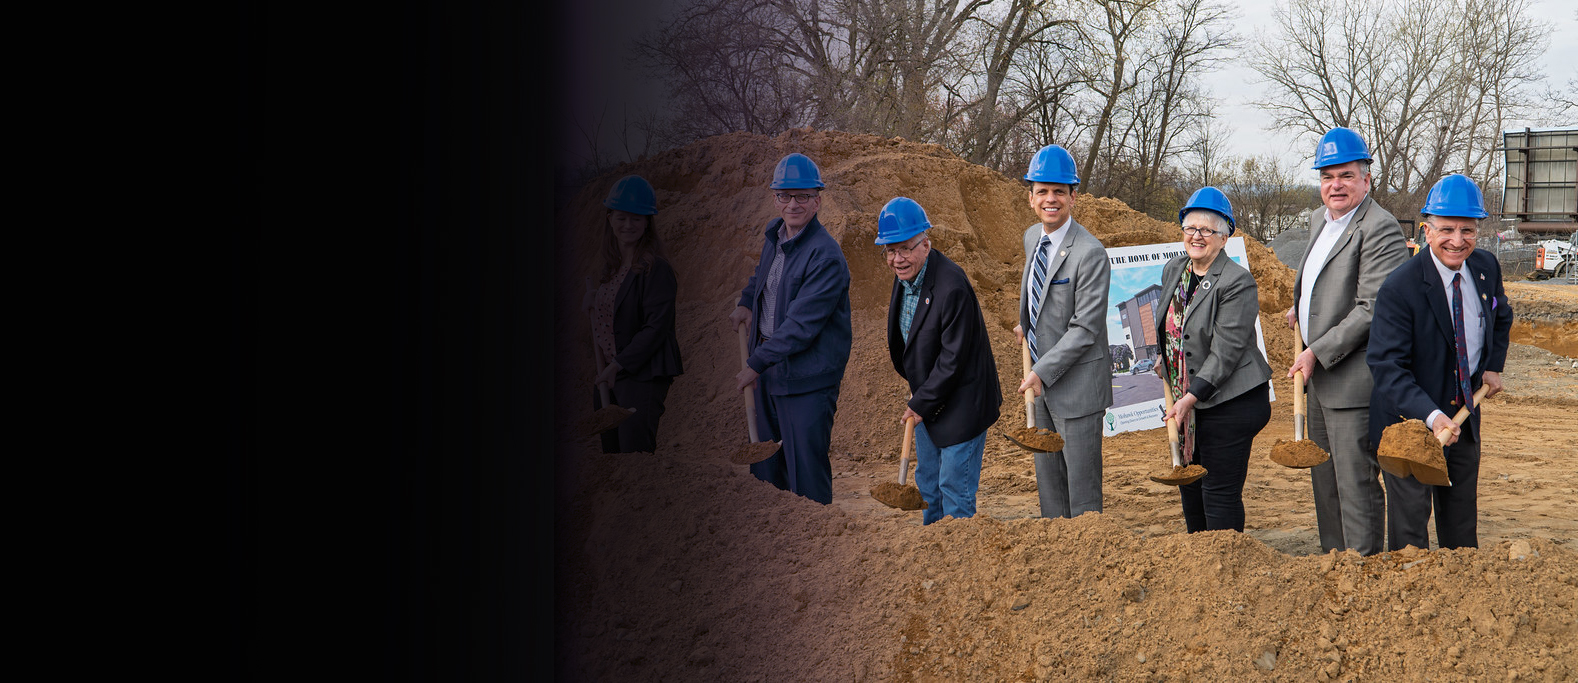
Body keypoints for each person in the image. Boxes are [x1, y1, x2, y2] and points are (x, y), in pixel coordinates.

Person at [1367, 174, 1513, 550]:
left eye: (1467, 229)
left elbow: (1501, 316)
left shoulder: (1485, 269)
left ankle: (1460, 595)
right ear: (1427, 231)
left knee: (1461, 520)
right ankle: (1409, 599)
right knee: (1412, 529)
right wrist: (1431, 418)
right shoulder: (1400, 287)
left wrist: (1493, 365)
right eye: (1447, 229)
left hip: (1464, 415)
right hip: (1410, 424)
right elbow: (1387, 367)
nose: (1457, 240)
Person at [1284, 127, 1409, 556]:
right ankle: (1334, 562)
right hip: (1318, 376)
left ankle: (1364, 568)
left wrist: (1316, 351)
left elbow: (1372, 309)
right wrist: (1299, 310)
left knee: (1354, 481)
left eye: (1345, 176)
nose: (1335, 185)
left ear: (1366, 179)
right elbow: (1322, 286)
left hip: (1350, 378)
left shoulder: (1381, 228)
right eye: (1326, 177)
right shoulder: (1322, 219)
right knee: (1325, 479)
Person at [730, 153, 852, 505]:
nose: (793, 204)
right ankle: (776, 543)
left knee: (805, 473)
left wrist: (755, 363)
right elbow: (762, 277)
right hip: (771, 369)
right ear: (775, 199)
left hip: (806, 380)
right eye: (785, 195)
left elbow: (801, 324)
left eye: (802, 196)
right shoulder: (776, 237)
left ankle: (816, 545)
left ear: (817, 200)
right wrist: (745, 301)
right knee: (767, 469)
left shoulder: (825, 255)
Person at [876, 197, 1001, 524]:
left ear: (925, 244)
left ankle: (962, 567)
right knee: (929, 487)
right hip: (930, 399)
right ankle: (936, 558)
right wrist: (922, 398)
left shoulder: (951, 286)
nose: (897, 259)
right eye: (889, 251)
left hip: (963, 400)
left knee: (953, 490)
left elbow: (953, 359)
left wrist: (920, 402)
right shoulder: (906, 276)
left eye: (904, 249)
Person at [1153, 188, 1272, 532]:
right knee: (1190, 485)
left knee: (1218, 492)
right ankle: (1200, 567)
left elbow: (1227, 351)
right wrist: (1167, 358)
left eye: (1208, 230)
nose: (1197, 236)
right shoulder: (1175, 269)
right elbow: (1173, 324)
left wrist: (1189, 397)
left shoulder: (1237, 281)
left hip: (1232, 401)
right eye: (1191, 228)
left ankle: (1227, 571)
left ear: (1225, 237)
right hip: (1192, 400)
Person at [1014, 144, 1113, 518]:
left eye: (1059, 191)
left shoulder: (1090, 253)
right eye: (1042, 191)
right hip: (1041, 387)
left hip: (1078, 391)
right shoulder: (1031, 238)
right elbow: (1037, 294)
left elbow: (1085, 328)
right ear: (1031, 197)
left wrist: (1039, 371)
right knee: (1050, 490)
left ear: (1074, 196)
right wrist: (1025, 322)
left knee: (1082, 497)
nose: (1050, 199)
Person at [587, 175, 684, 453]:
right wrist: (594, 299)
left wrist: (618, 365)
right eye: (621, 217)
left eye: (637, 218)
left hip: (640, 376)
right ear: (610, 218)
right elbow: (616, 311)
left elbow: (656, 328)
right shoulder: (611, 267)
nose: (628, 225)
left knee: (634, 456)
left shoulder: (656, 269)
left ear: (647, 223)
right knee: (612, 459)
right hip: (608, 374)